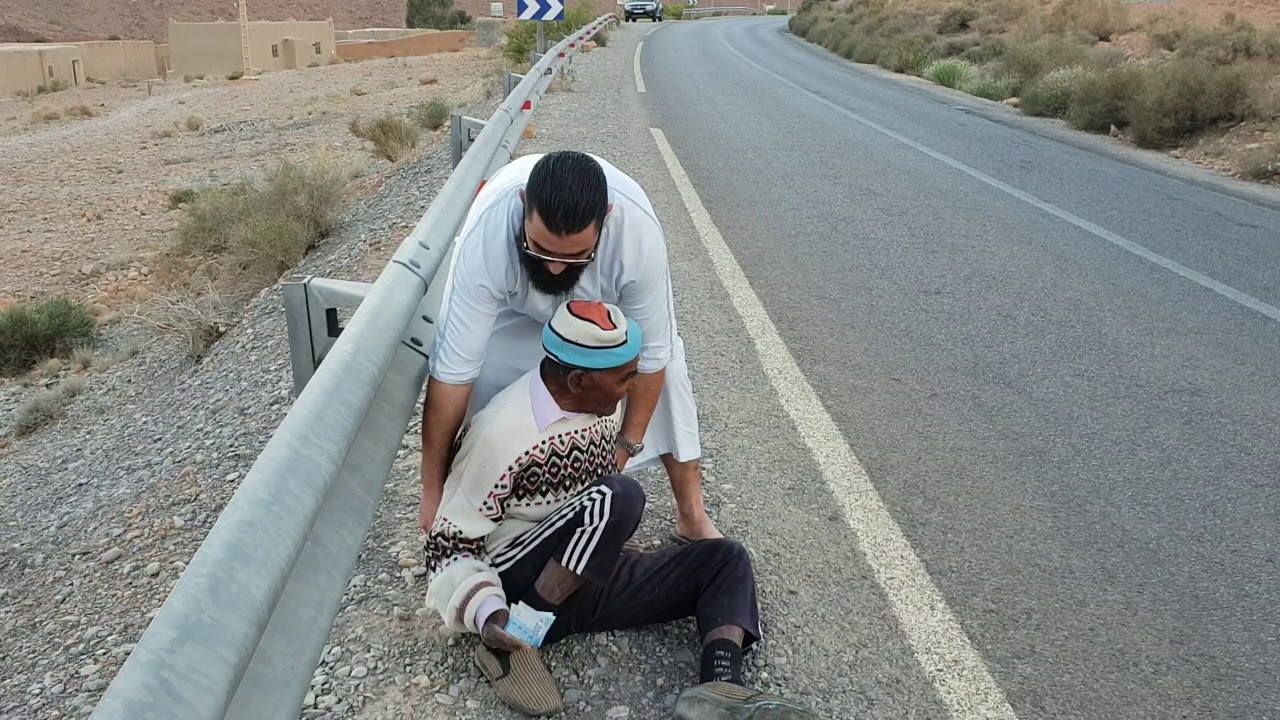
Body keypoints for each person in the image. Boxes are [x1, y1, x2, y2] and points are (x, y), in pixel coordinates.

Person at [422, 301, 816, 719]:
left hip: (578, 578)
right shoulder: (500, 434)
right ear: (577, 380)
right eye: (625, 378)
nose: (632, 388)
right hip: (517, 588)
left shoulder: (597, 407)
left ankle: (721, 691)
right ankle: (518, 640)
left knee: (725, 558)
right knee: (620, 495)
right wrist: (486, 612)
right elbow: (447, 546)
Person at [419, 149, 721, 546]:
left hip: (598, 312)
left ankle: (692, 515)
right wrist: (432, 492)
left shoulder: (637, 233)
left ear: (606, 219)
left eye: (576, 255)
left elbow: (652, 357)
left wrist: (618, 456)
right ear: (523, 206)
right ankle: (483, 509)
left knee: (670, 368)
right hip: (513, 314)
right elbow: (452, 372)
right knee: (484, 383)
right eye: (541, 250)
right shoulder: (488, 233)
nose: (556, 268)